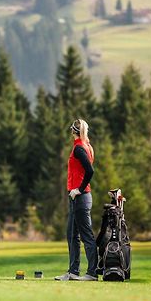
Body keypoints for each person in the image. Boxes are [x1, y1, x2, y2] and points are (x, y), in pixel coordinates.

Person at [55, 118, 98, 281]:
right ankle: (73, 271)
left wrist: (79, 189)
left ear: (73, 131)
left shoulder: (79, 148)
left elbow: (90, 171)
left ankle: (92, 273)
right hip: (78, 198)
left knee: (86, 236)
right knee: (72, 235)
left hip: (80, 197)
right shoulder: (87, 146)